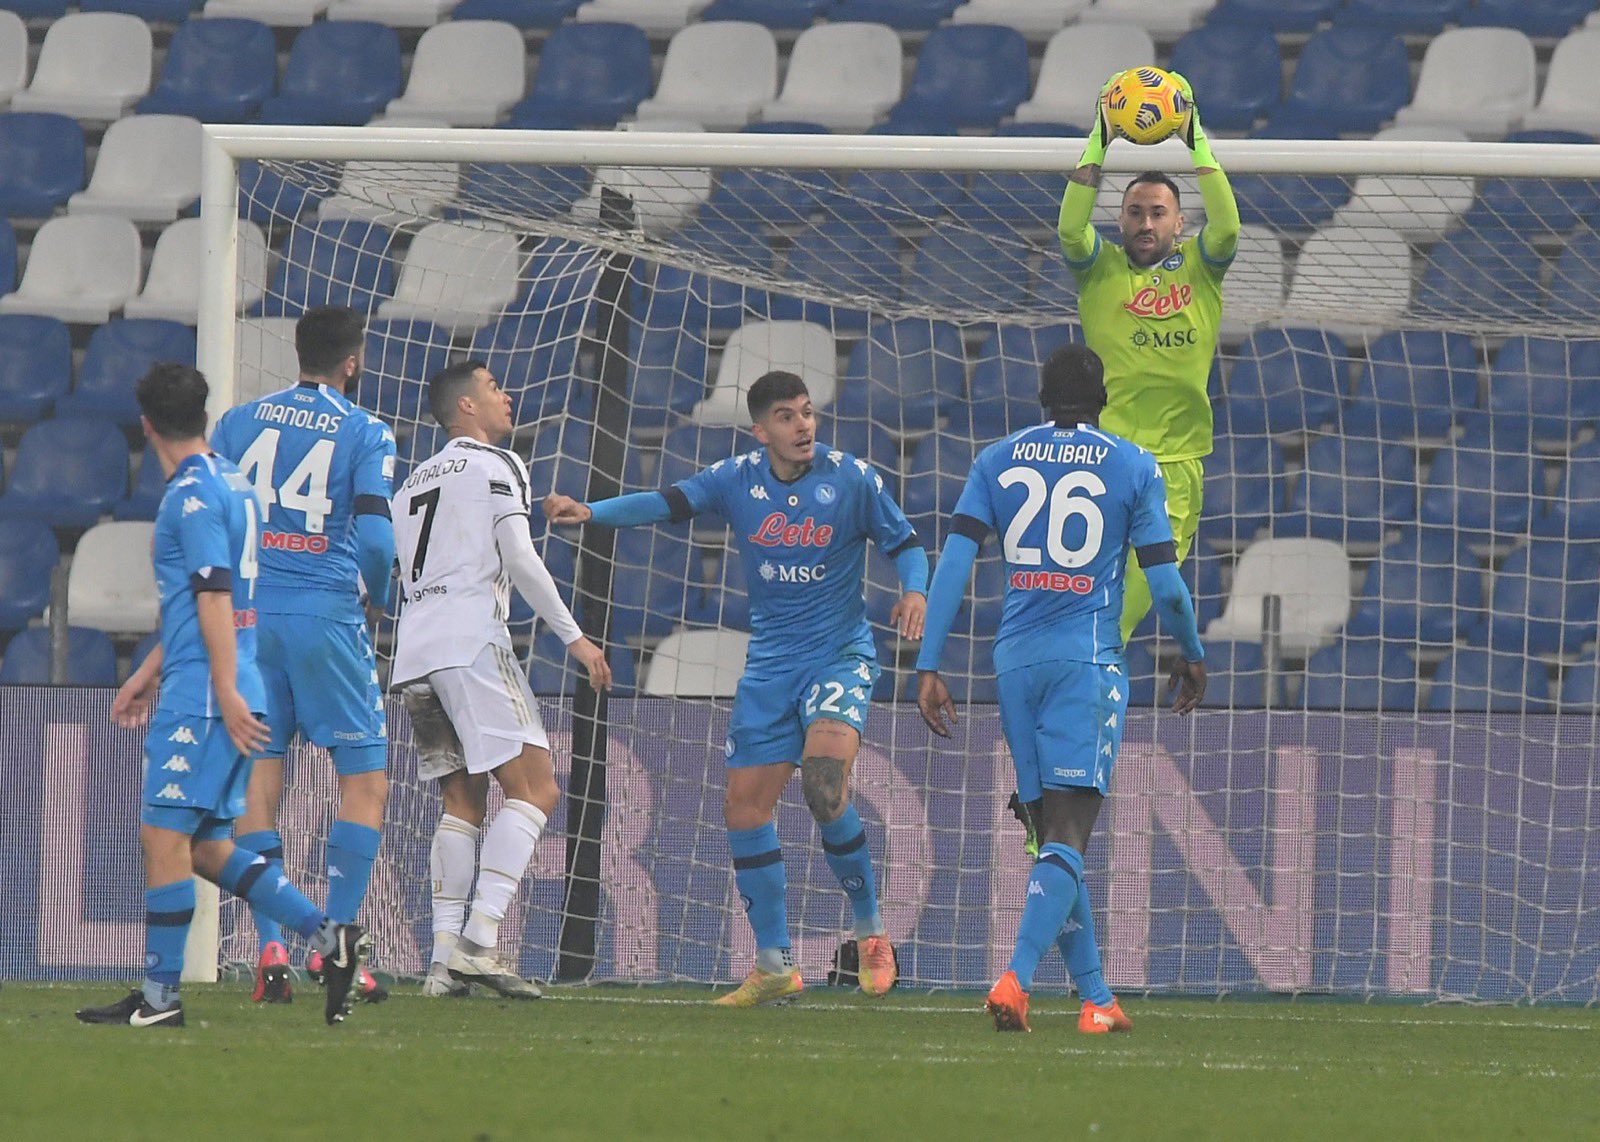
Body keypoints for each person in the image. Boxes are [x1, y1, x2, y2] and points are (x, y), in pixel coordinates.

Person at [544, 371, 928, 1007]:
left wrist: (914, 590)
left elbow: (907, 543)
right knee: (744, 811)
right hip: (771, 665)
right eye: (786, 416)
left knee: (824, 783)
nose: (803, 425)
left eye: (807, 413)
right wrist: (593, 513)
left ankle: (870, 934)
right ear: (760, 431)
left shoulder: (852, 478)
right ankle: (775, 964)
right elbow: (666, 501)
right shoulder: (735, 478)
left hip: (839, 655)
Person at [914, 346, 1206, 1034]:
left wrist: (928, 665)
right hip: (1086, 662)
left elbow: (954, 566)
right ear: (1103, 398)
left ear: (1043, 398)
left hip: (1014, 664)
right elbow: (1164, 583)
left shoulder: (997, 459)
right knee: (1069, 834)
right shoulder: (1134, 465)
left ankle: (1097, 999)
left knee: (1053, 841)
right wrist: (1192, 654)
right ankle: (1014, 978)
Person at [77, 364, 372, 1029]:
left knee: (162, 834)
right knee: (208, 846)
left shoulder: (189, 497)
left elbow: (213, 595)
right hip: (224, 679)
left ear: (144, 424)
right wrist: (150, 668)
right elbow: (213, 596)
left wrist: (221, 689)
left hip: (208, 693)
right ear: (204, 416)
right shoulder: (236, 484)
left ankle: (159, 999)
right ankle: (332, 940)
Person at [392, 361, 611, 999]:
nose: (506, 396)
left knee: (461, 803)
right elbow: (518, 555)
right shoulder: (497, 464)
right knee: (537, 787)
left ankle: (439, 964)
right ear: (465, 408)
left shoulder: (409, 487)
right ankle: (481, 941)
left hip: (415, 653)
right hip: (471, 641)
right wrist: (575, 636)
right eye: (493, 389)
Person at [210, 305, 396, 1005]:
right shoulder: (365, 429)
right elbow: (376, 541)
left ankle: (269, 948)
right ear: (354, 360)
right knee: (366, 777)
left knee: (260, 779)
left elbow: (216, 517)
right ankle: (339, 945)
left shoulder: (239, 421)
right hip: (323, 616)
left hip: (250, 621)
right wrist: (378, 596)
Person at [1059, 71, 1240, 648]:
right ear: (1121, 220)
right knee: (1080, 606)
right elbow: (1068, 228)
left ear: (1179, 223)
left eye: (1159, 212)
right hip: (1104, 457)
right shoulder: (1100, 270)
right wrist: (1100, 135)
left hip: (1177, 466)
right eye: (1135, 211)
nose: (1145, 222)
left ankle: (1082, 706)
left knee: (1124, 613)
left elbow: (1230, 225)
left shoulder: (1202, 269)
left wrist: (1195, 139)